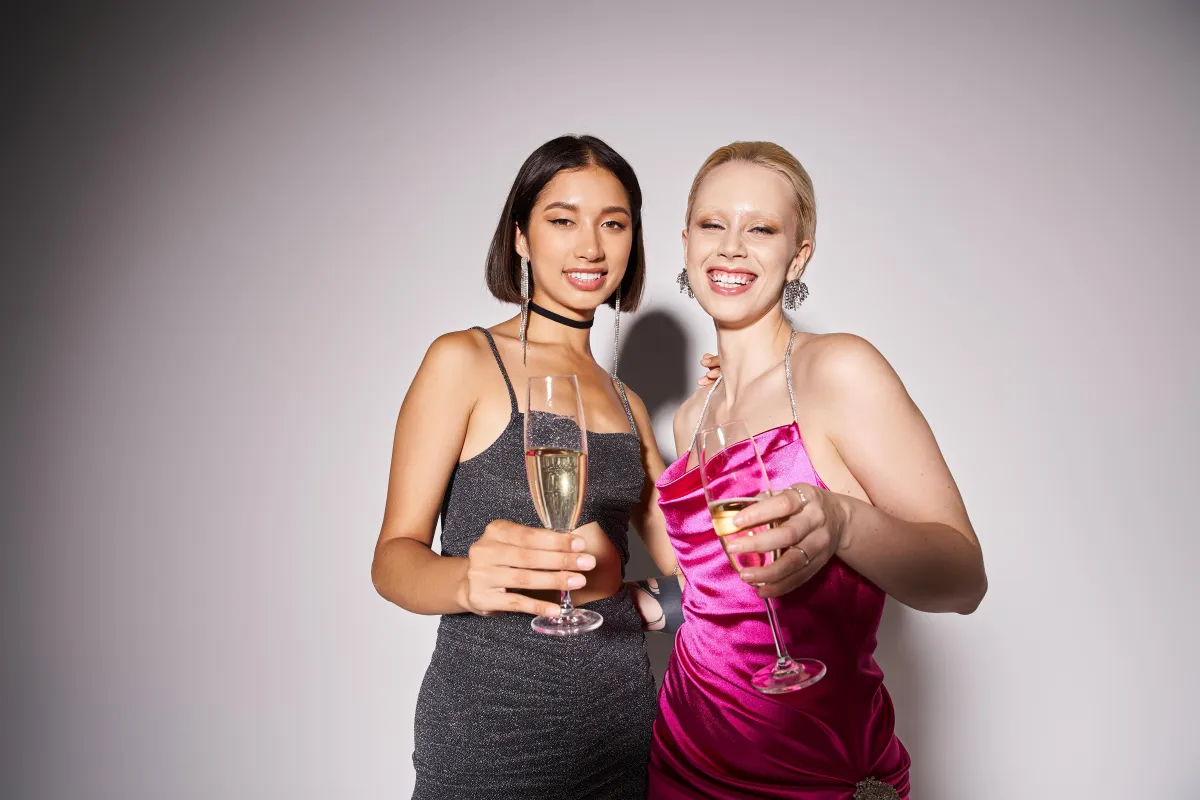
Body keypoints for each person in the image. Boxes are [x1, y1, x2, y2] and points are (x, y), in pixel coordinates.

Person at [648, 142, 988, 800]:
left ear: (798, 254)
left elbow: (963, 580)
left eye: (762, 229)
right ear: (687, 241)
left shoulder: (839, 371)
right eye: (714, 225)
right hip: (682, 757)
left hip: (806, 770)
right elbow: (720, 603)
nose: (733, 248)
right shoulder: (693, 417)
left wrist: (841, 520)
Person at [370, 134, 682, 800]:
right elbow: (393, 560)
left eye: (614, 223)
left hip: (624, 730)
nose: (591, 246)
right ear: (520, 236)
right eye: (562, 219)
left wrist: (653, 605)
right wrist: (464, 582)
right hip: (493, 735)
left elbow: (701, 570)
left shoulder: (629, 404)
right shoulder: (464, 361)